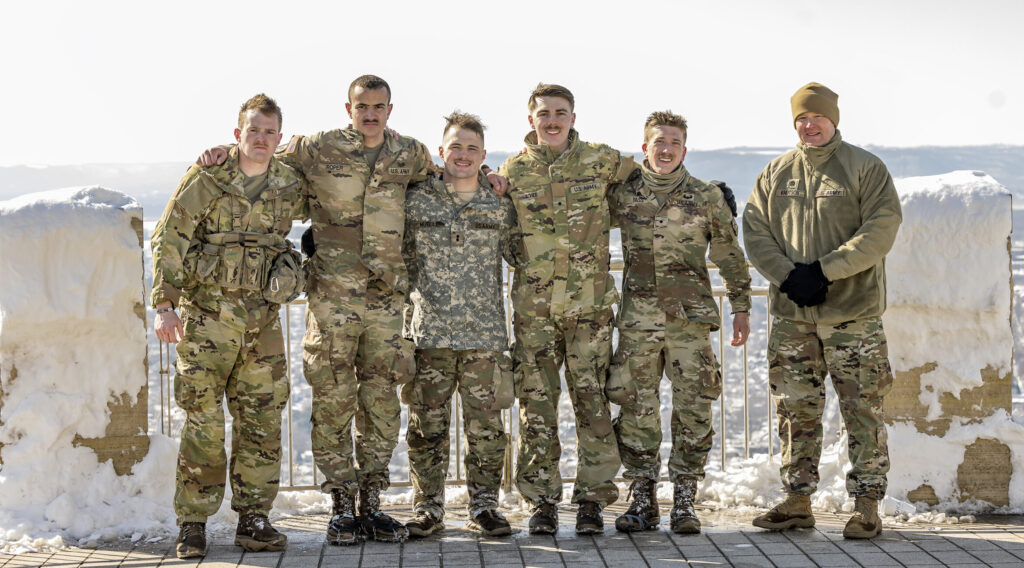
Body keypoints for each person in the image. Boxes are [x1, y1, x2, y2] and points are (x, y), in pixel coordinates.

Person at [197, 75, 440, 544]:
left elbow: (442, 187)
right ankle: (342, 505)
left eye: (378, 106)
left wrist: (493, 178)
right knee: (333, 400)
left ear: (391, 109)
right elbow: (260, 159)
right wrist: (221, 155)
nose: (370, 114)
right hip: (332, 297)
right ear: (348, 108)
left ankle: (372, 502)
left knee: (381, 402)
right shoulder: (317, 148)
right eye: (361, 106)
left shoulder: (410, 153)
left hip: (387, 300)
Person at [742, 82, 902, 539]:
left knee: (863, 409)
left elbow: (881, 228)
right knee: (796, 410)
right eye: (801, 119)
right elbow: (755, 229)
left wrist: (825, 271)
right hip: (793, 316)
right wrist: (789, 277)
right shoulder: (777, 172)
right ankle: (796, 500)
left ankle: (868, 504)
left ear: (834, 119)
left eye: (817, 117)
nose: (809, 125)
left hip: (852, 316)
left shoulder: (864, 168)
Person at [152, 94, 307, 558]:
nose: (260, 139)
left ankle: (254, 520)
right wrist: (165, 305)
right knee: (203, 422)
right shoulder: (208, 177)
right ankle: (194, 523)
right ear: (237, 133)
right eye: (252, 130)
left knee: (261, 422)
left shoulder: (289, 184)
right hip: (207, 321)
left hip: (262, 323)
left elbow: (338, 199)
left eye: (269, 132)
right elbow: (170, 236)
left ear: (280, 138)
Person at [497, 83, 637, 534]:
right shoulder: (512, 172)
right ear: (531, 119)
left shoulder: (602, 159)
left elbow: (650, 176)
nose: (552, 120)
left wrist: (707, 190)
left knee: (592, 404)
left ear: (573, 118)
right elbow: (496, 223)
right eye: (544, 113)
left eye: (560, 112)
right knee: (536, 407)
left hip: (588, 310)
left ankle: (594, 500)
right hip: (535, 312)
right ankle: (542, 501)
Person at [606, 111, 751, 534]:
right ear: (645, 146)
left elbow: (729, 254)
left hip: (689, 322)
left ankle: (685, 499)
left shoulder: (706, 197)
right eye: (658, 141)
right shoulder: (623, 195)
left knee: (694, 408)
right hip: (639, 322)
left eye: (674, 142)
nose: (666, 149)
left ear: (684, 149)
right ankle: (643, 497)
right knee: (636, 408)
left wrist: (741, 306)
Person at [400, 111, 524, 538]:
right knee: (426, 429)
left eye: (473, 148)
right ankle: (427, 509)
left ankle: (484, 506)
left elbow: (524, 255)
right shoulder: (416, 202)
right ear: (441, 151)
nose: (464, 155)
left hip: (484, 337)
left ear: (484, 155)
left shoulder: (500, 205)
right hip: (429, 334)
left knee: (487, 431)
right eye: (456, 146)